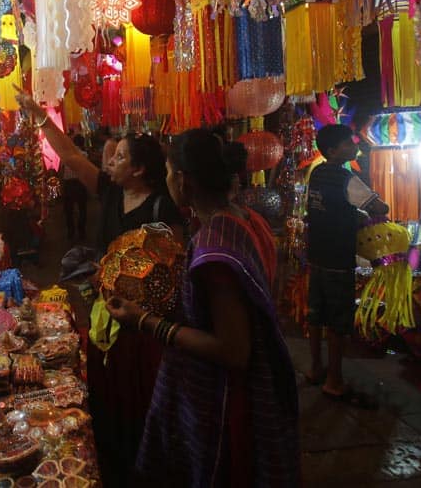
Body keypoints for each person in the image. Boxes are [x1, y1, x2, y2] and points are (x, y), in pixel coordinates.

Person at [106, 128, 300, 487]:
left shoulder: (215, 252)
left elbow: (233, 349)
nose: (167, 181)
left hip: (226, 401)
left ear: (182, 180)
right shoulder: (246, 219)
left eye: (168, 173)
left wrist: (145, 321)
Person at [14, 86, 183, 487]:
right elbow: (71, 155)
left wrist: (134, 293)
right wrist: (38, 116)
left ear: (139, 169)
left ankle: (145, 460)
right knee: (107, 386)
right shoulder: (110, 192)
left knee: (142, 389)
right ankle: (111, 450)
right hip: (105, 309)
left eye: (120, 157)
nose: (111, 161)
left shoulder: (161, 207)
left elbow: (173, 265)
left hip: (144, 321)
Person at [305, 124, 389, 406]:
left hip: (316, 254)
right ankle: (334, 380)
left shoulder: (316, 173)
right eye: (348, 143)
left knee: (316, 315)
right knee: (338, 321)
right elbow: (381, 208)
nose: (354, 146)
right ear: (333, 150)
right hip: (338, 258)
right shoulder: (346, 178)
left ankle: (316, 367)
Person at [61, 134, 89, 241]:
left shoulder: (65, 155)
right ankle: (81, 231)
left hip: (69, 184)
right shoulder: (84, 154)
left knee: (69, 210)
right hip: (80, 184)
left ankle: (70, 231)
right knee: (82, 209)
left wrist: (61, 184)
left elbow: (61, 171)